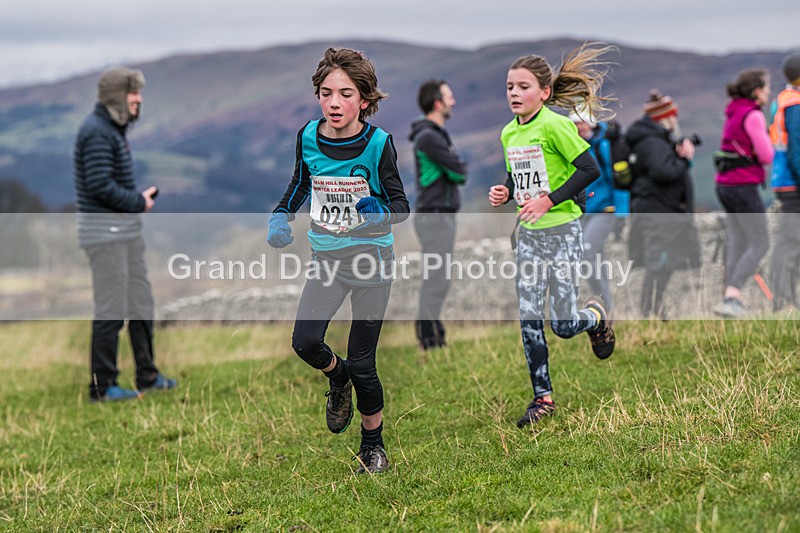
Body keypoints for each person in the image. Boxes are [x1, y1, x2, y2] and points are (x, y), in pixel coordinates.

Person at [266, 48, 409, 474]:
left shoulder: (379, 144)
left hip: (371, 265)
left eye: (345, 94)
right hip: (326, 261)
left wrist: (376, 212)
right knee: (305, 342)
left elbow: (400, 206)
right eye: (326, 92)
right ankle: (337, 376)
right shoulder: (308, 137)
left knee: (365, 362)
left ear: (364, 99)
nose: (333, 102)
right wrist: (280, 215)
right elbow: (300, 184)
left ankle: (373, 447)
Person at [488, 43, 617, 428]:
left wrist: (549, 201)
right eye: (510, 86)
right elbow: (520, 173)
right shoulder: (509, 133)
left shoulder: (557, 125)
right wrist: (506, 191)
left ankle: (594, 317)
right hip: (528, 235)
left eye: (523, 87)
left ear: (544, 93)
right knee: (529, 319)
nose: (514, 93)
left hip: (562, 230)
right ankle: (542, 397)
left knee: (561, 324)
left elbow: (588, 168)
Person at [73, 66, 176, 402]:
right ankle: (102, 387)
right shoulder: (97, 131)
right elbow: (99, 185)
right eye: (134, 93)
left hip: (124, 234)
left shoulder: (112, 129)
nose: (139, 100)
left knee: (141, 303)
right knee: (111, 309)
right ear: (118, 96)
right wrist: (138, 201)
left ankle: (147, 376)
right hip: (105, 236)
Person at [625, 90, 701, 319]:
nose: (675, 120)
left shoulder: (652, 139)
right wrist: (683, 158)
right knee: (659, 265)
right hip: (658, 212)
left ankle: (654, 311)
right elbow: (664, 171)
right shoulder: (653, 142)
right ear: (665, 117)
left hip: (657, 211)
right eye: (673, 115)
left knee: (662, 264)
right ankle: (649, 312)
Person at [409, 79, 468, 350]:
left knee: (439, 278)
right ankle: (430, 339)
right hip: (434, 215)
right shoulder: (430, 136)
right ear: (437, 103)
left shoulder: (436, 134)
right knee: (437, 279)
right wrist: (458, 166)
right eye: (449, 96)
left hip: (439, 215)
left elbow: (456, 170)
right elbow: (459, 172)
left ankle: (433, 336)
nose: (453, 101)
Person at [711, 69, 774, 317]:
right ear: (757, 91)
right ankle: (733, 294)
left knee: (738, 240)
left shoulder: (734, 110)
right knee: (760, 241)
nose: (769, 92)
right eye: (767, 87)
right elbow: (767, 155)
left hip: (724, 184)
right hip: (743, 184)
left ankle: (727, 297)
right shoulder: (754, 115)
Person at [570, 111, 628, 315]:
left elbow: (618, 180)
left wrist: (621, 213)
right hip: (585, 212)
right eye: (575, 125)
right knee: (590, 258)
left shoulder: (604, 146)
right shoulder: (575, 148)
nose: (580, 128)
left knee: (586, 252)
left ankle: (605, 305)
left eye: (582, 123)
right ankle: (606, 309)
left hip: (606, 210)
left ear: (591, 123)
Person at [769, 52, 800, 313]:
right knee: (790, 242)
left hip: (785, 180)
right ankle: (783, 300)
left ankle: (788, 298)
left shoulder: (783, 99)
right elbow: (797, 149)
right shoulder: (795, 104)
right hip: (793, 183)